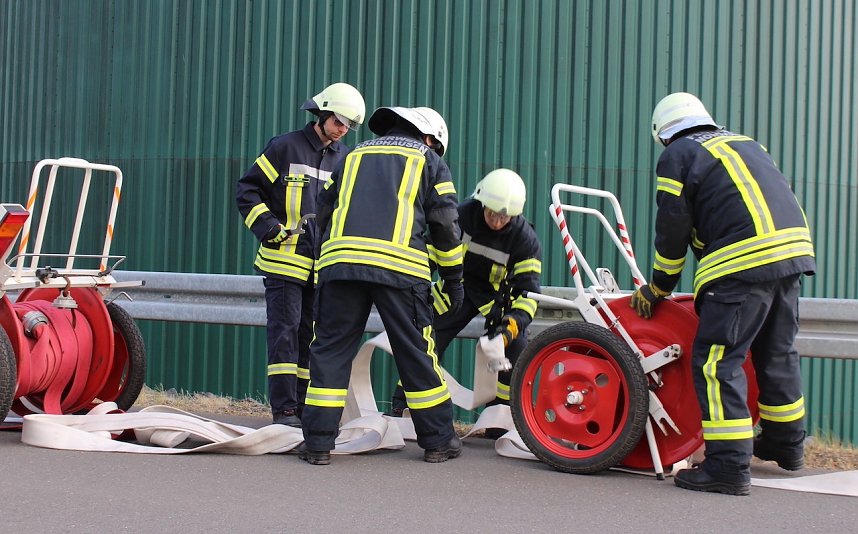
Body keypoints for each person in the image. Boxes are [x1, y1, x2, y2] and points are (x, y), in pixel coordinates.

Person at [632, 91, 816, 495]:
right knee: (777, 352)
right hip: (792, 255)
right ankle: (786, 446)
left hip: (740, 265)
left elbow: (673, 226)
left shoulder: (678, 154)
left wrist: (659, 286)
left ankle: (728, 467)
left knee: (717, 362)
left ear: (662, 132)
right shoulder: (746, 143)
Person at [299, 106, 464, 465]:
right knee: (415, 353)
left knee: (329, 351)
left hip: (341, 265)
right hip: (400, 269)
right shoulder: (429, 161)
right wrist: (453, 279)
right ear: (429, 138)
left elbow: (323, 211)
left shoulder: (353, 156)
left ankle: (317, 444)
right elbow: (446, 226)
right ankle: (438, 441)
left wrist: (328, 259)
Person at [235, 82, 366, 427]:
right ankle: (285, 409)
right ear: (322, 115)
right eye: (339, 122)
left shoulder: (345, 159)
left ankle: (305, 407)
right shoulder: (284, 147)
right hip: (283, 260)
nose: (342, 131)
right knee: (285, 332)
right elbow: (246, 191)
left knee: (310, 335)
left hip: (319, 268)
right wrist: (269, 227)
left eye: (349, 126)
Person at [389, 168, 542, 440]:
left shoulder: (524, 240)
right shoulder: (460, 216)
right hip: (456, 286)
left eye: (504, 216)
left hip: (497, 299)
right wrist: (414, 290)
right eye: (492, 213)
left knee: (515, 349)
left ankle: (498, 420)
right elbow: (432, 254)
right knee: (425, 337)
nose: (497, 221)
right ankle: (404, 407)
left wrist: (510, 329)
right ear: (481, 202)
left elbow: (527, 295)